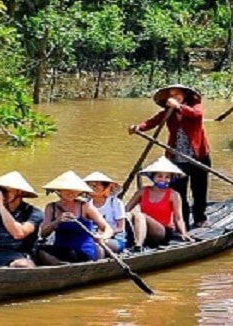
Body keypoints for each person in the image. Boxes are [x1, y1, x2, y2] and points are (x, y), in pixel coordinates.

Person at [128, 84, 212, 229]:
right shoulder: (168, 112)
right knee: (179, 193)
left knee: (199, 189)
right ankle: (183, 222)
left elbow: (196, 115)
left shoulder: (194, 106)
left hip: (198, 156)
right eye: (171, 96)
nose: (174, 98)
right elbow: (152, 122)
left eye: (177, 95)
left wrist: (179, 107)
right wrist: (138, 127)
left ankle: (200, 218)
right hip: (177, 158)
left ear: (184, 95)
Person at [36, 171, 112, 265]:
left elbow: (107, 229)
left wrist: (102, 237)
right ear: (59, 190)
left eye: (75, 190)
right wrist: (57, 221)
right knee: (39, 250)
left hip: (83, 252)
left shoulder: (85, 206)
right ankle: (60, 265)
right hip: (61, 251)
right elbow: (43, 234)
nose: (71, 193)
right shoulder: (51, 207)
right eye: (67, 189)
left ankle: (62, 266)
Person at [127, 157, 195, 252]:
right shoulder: (143, 191)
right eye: (160, 176)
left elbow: (178, 218)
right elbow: (127, 209)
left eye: (167, 177)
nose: (163, 179)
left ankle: (138, 245)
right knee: (131, 215)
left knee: (140, 215)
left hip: (162, 231)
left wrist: (183, 233)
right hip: (143, 228)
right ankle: (135, 240)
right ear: (153, 177)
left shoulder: (173, 195)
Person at [83, 171, 127, 255]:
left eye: (96, 185)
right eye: (90, 185)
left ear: (106, 187)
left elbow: (120, 228)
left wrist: (103, 235)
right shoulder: (85, 204)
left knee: (93, 244)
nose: (93, 187)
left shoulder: (115, 203)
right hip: (92, 236)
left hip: (115, 239)